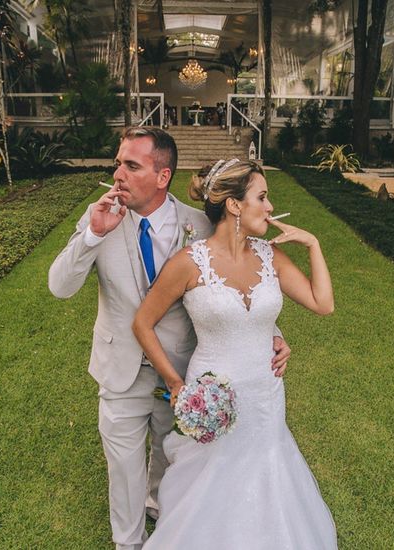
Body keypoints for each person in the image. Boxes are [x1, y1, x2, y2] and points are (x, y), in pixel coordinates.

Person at [48, 129, 291, 550]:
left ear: (162, 177)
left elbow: (236, 283)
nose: (117, 173)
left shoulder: (198, 225)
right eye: (118, 162)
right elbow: (60, 287)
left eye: (131, 165)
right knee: (123, 465)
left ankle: (165, 515)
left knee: (170, 453)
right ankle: (128, 543)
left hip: (181, 367)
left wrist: (271, 332)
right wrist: (93, 234)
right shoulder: (99, 217)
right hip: (120, 367)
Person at [132, 159, 337, 549]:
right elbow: (143, 323)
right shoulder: (189, 263)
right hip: (214, 395)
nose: (271, 206)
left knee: (266, 472)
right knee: (213, 481)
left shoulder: (270, 257)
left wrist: (312, 243)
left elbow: (321, 303)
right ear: (234, 205)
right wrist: (175, 383)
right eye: (262, 197)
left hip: (265, 395)